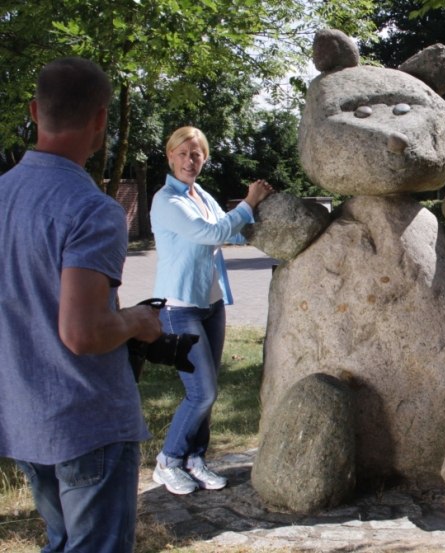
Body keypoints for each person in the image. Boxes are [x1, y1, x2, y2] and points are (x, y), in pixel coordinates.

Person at [0, 57, 162, 551]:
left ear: (33, 111)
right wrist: (137, 320)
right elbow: (84, 333)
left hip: (23, 416)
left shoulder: (3, 194)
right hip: (86, 422)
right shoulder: (91, 208)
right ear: (100, 119)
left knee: (61, 541)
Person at [150, 126, 273, 494]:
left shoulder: (200, 194)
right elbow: (210, 233)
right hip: (179, 308)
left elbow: (230, 232)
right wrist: (248, 204)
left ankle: (194, 459)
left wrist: (262, 225)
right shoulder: (165, 201)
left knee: (209, 389)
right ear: (170, 156)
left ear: (205, 158)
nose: (190, 161)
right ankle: (168, 460)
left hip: (211, 304)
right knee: (201, 392)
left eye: (197, 154)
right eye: (184, 153)